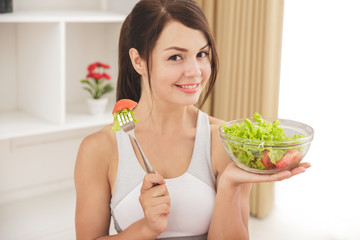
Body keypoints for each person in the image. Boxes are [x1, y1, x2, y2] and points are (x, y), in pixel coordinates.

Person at [74, 0, 311, 239]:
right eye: (176, 57)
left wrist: (229, 184)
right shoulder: (98, 149)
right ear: (138, 61)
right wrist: (146, 229)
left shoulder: (226, 142)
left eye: (201, 54)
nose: (195, 71)